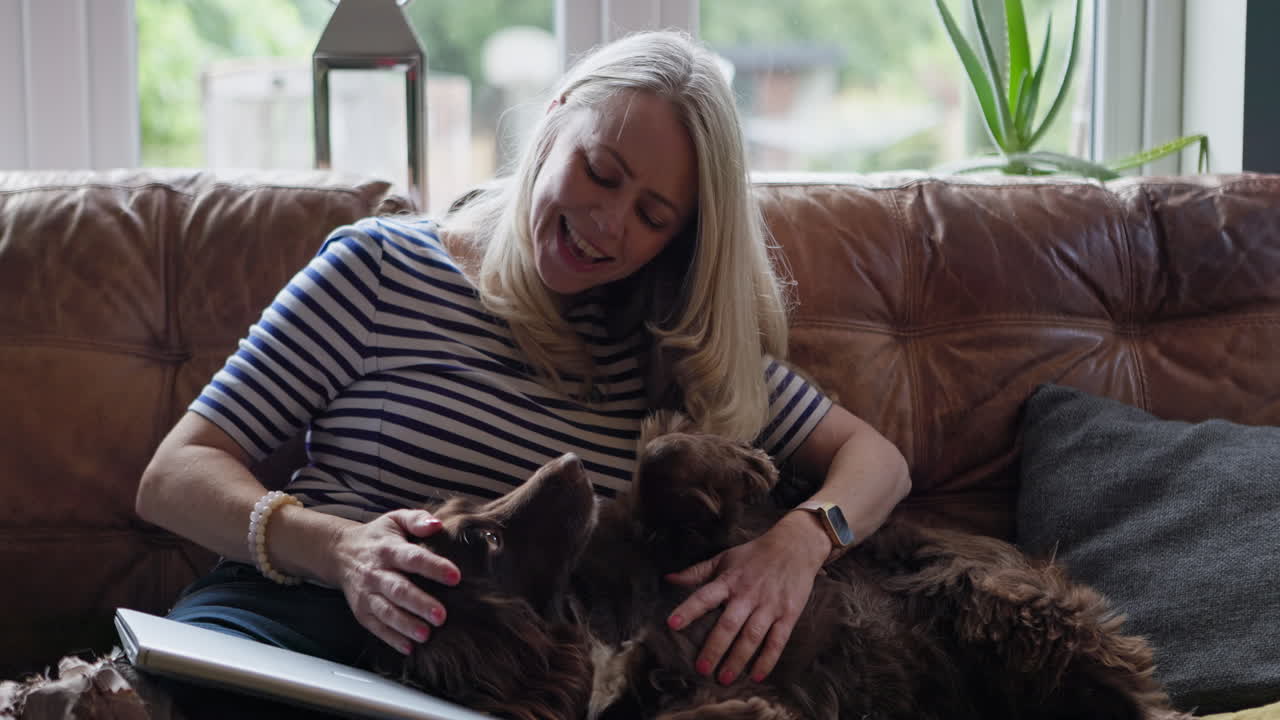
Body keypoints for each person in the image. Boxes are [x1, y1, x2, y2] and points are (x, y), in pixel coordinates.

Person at [135, 29, 910, 690]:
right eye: (600, 172)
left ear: (681, 241)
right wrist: (341, 550)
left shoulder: (672, 348)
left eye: (651, 215)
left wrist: (800, 542)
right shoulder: (381, 270)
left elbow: (876, 460)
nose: (604, 226)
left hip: (492, 677)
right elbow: (175, 475)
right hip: (295, 621)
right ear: (554, 122)